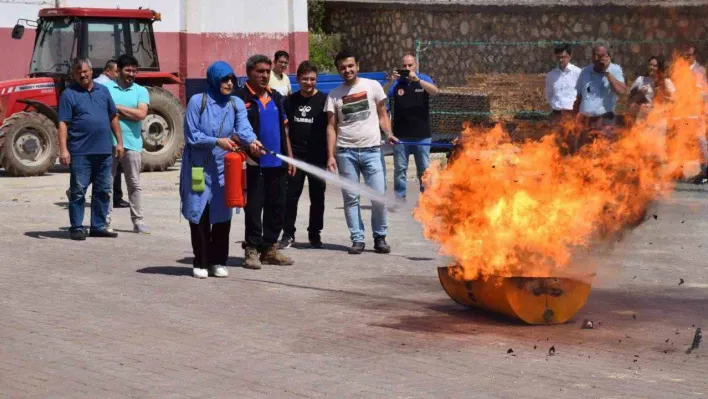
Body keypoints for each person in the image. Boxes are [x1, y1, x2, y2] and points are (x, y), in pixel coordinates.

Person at [181, 61, 262, 279]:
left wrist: (254, 142)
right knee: (199, 214)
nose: (228, 83)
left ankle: (218, 261)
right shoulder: (198, 101)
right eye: (224, 79)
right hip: (198, 167)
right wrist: (217, 141)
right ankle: (200, 262)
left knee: (222, 214)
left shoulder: (235, 103)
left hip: (224, 168)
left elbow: (244, 130)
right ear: (214, 79)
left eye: (231, 79)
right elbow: (191, 135)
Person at [326, 49, 395, 255]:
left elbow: (383, 115)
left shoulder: (372, 86)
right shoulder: (334, 95)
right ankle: (357, 239)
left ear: (357, 66)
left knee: (378, 197)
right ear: (338, 70)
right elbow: (331, 127)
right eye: (343, 68)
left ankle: (380, 237)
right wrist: (331, 155)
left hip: (372, 150)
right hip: (345, 152)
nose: (347, 70)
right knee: (351, 199)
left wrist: (389, 133)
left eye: (350, 66)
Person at [235, 54, 295, 269]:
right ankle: (251, 249)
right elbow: (232, 131)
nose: (264, 75)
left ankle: (270, 249)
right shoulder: (240, 98)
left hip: (277, 164)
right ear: (249, 72)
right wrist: (247, 144)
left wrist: (290, 158)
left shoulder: (277, 97)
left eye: (267, 72)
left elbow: (285, 130)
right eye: (260, 71)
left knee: (277, 207)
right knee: (254, 209)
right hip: (253, 164)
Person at [58, 57, 124, 241]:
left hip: (104, 151)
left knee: (103, 190)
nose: (82, 75)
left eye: (85, 71)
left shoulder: (103, 91)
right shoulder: (69, 94)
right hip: (80, 152)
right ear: (74, 75)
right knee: (78, 191)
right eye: (78, 73)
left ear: (91, 72)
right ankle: (77, 227)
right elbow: (63, 123)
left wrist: (119, 142)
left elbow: (113, 117)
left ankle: (98, 225)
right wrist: (63, 150)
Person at [279, 61, 328, 249]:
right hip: (296, 157)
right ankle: (288, 234)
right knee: (290, 196)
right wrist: (290, 157)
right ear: (298, 79)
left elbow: (332, 128)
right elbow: (286, 131)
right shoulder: (289, 101)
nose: (309, 82)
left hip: (317, 157)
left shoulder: (324, 100)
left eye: (313, 79)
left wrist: (331, 156)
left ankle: (314, 234)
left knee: (318, 198)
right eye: (305, 79)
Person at [383, 52, 439, 201]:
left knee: (424, 169)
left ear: (416, 65)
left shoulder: (423, 79)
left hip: (422, 135)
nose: (407, 68)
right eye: (404, 66)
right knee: (400, 169)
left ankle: (426, 199)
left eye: (410, 65)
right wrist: (390, 81)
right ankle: (400, 199)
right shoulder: (397, 83)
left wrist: (418, 80)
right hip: (401, 135)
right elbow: (381, 96)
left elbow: (435, 91)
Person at [105, 55, 151, 234]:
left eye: (134, 71)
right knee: (107, 184)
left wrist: (116, 109)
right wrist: (127, 113)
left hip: (132, 144)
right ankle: (105, 221)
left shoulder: (141, 91)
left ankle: (138, 221)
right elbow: (104, 112)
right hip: (109, 142)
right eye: (128, 70)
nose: (131, 74)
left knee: (134, 184)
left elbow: (141, 114)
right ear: (119, 70)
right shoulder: (106, 88)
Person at [573, 41, 626, 149]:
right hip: (585, 121)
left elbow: (621, 91)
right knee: (583, 153)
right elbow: (579, 97)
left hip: (605, 121)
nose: (597, 58)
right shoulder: (585, 71)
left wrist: (606, 72)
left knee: (602, 155)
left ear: (607, 56)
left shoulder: (615, 69)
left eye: (600, 55)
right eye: (594, 55)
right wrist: (574, 119)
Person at [628, 56, 675, 120]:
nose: (652, 67)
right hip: (642, 119)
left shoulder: (666, 81)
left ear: (659, 68)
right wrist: (640, 94)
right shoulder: (640, 80)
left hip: (659, 119)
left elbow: (674, 100)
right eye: (650, 65)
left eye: (655, 66)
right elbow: (630, 100)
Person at [545, 44, 581, 119]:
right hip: (556, 115)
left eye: (563, 57)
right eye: (558, 57)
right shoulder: (551, 75)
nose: (560, 60)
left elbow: (584, 93)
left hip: (573, 116)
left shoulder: (578, 73)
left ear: (570, 56)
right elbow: (549, 94)